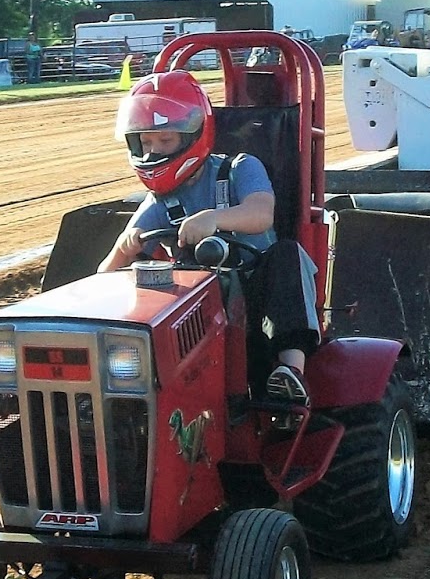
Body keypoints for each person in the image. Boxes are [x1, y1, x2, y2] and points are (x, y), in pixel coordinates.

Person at [96, 72, 319, 403]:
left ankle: (290, 370)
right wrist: (123, 249)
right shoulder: (162, 199)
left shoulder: (240, 168)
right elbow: (104, 275)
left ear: (193, 135)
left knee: (286, 253)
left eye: (165, 140)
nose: (154, 151)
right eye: (145, 142)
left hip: (261, 295)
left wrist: (214, 218)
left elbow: (261, 214)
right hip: (199, 305)